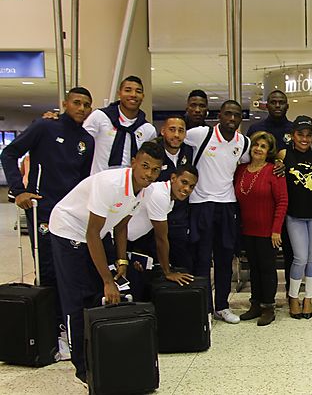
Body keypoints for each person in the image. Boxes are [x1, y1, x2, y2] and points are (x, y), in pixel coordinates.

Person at [48, 141, 164, 384]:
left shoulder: (146, 189)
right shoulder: (109, 184)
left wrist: (121, 260)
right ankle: (82, 367)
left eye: (155, 170)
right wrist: (107, 280)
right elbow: (92, 233)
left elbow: (122, 225)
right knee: (77, 299)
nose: (149, 174)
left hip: (96, 235)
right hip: (69, 230)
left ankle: (98, 355)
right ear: (133, 162)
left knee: (94, 297)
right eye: (145, 166)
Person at [0, 86, 95, 361]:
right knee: (48, 271)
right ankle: (51, 332)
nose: (81, 108)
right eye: (76, 103)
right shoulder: (44, 127)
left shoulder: (86, 140)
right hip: (43, 210)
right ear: (66, 103)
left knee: (72, 272)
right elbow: (9, 154)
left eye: (86, 104)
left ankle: (68, 328)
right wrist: (19, 190)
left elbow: (83, 180)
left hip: (71, 216)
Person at [184, 100, 251, 324]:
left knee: (225, 260)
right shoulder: (201, 134)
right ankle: (204, 308)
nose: (232, 119)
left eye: (236, 115)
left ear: (241, 118)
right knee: (202, 261)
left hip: (227, 206)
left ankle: (222, 306)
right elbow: (173, 139)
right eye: (228, 114)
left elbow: (245, 164)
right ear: (219, 115)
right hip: (201, 205)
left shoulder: (244, 142)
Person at [278, 117, 312, 319]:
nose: (304, 139)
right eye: (300, 134)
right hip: (294, 215)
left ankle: (308, 298)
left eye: (308, 135)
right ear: (293, 135)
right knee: (299, 258)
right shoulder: (284, 154)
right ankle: (293, 296)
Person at [235, 131, 288, 326]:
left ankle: (268, 307)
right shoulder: (240, 170)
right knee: (254, 270)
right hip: (247, 230)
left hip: (268, 232)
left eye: (263, 146)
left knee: (267, 270)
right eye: (256, 145)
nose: (258, 149)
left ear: (269, 151)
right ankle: (255, 304)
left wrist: (276, 230)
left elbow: (282, 201)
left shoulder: (274, 170)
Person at [245, 89, 294, 295]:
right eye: (272, 102)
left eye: (280, 102)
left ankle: (292, 295)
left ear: (287, 105)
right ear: (267, 105)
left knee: (291, 253)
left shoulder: (293, 129)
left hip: (288, 197)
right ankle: (262, 299)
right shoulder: (256, 128)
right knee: (263, 259)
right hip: (262, 201)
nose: (276, 105)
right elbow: (247, 159)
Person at [125, 164, 198, 300]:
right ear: (173, 178)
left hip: (128, 241)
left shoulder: (168, 197)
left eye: (192, 187)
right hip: (113, 239)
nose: (186, 189)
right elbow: (161, 238)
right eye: (184, 182)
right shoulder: (160, 195)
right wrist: (168, 272)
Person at [82, 75, 157, 174]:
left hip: (129, 184)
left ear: (143, 96)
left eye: (138, 91)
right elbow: (81, 144)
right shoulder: (100, 117)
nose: (133, 95)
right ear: (119, 94)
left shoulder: (148, 129)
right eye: (128, 90)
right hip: (100, 181)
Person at [153, 116, 195, 270]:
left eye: (181, 131)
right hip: (155, 219)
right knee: (157, 269)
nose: (176, 135)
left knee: (184, 267)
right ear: (163, 131)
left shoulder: (189, 152)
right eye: (172, 129)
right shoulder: (153, 152)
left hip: (180, 221)